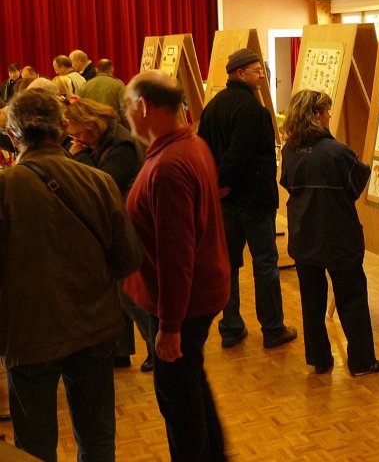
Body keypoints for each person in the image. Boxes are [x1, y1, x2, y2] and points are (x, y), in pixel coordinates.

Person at [0, 89, 143, 462]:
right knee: (97, 440)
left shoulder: (6, 188)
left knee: (34, 446)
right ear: (63, 128)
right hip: (94, 328)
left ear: (13, 135)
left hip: (29, 335)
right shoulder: (99, 182)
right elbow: (128, 259)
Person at [123, 71, 230, 459]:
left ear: (144, 107)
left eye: (127, 107)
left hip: (182, 305)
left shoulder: (169, 165)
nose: (126, 117)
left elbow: (175, 254)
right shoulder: (191, 143)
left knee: (178, 401)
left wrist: (169, 327)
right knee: (190, 385)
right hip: (196, 296)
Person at [280, 89, 379, 376]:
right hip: (338, 234)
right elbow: (357, 184)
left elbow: (287, 183)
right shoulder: (338, 152)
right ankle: (362, 360)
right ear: (316, 116)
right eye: (326, 111)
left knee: (311, 300)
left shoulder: (289, 150)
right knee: (351, 297)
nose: (329, 116)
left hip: (303, 234)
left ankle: (319, 358)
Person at [197, 48, 297, 350]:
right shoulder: (253, 110)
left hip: (225, 201)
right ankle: (272, 328)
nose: (262, 75)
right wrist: (222, 181)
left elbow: (203, 149)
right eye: (257, 70)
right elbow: (239, 154)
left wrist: (216, 185)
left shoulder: (212, 106)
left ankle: (231, 327)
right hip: (253, 200)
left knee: (228, 264)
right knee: (265, 263)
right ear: (240, 73)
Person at [65, 96, 153, 371]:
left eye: (79, 134)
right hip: (117, 222)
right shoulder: (104, 141)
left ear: (92, 124)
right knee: (118, 292)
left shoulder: (122, 145)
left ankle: (156, 348)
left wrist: (78, 156)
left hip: (130, 223)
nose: (78, 139)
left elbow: (105, 184)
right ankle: (121, 350)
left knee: (130, 293)